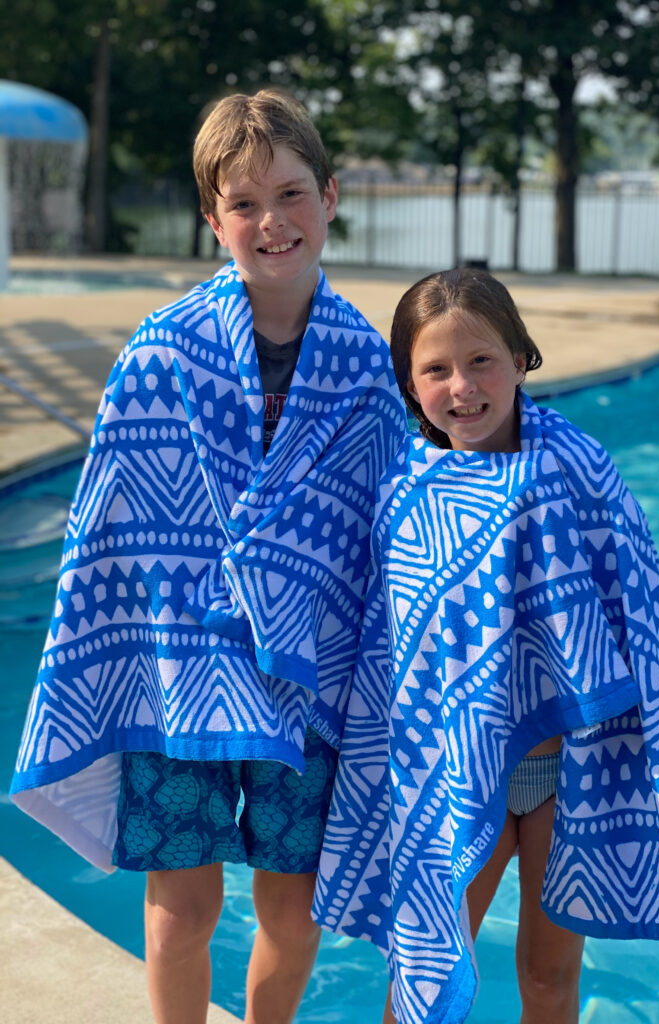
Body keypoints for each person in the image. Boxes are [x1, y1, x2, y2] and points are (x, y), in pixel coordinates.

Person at [10, 89, 406, 1024]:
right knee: (184, 908)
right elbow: (109, 530)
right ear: (210, 220)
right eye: (244, 203)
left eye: (293, 193)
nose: (273, 222)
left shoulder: (368, 366)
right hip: (178, 669)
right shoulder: (160, 355)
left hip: (310, 674)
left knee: (295, 904)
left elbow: (390, 534)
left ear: (333, 196)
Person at [312, 268, 659, 1024]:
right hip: (459, 773)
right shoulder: (407, 492)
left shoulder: (579, 469)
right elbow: (393, 655)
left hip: (568, 774)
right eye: (436, 369)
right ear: (408, 383)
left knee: (550, 978)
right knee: (422, 976)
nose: (463, 386)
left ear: (522, 356)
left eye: (482, 360)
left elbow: (643, 624)